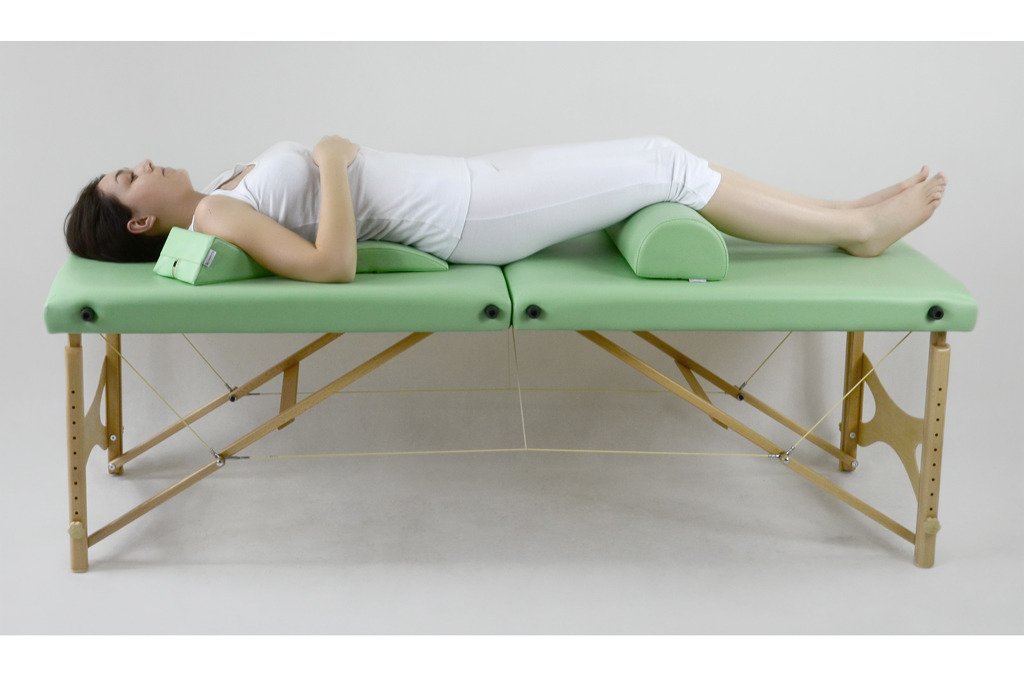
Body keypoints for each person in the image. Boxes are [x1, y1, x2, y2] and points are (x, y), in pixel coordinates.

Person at [64, 135, 947, 283]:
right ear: (141, 223)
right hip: (470, 219)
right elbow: (329, 265)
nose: (143, 163)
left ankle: (841, 213)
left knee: (668, 157)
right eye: (128, 179)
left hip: (471, 181)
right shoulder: (215, 220)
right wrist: (331, 163)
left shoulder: (222, 193)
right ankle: (856, 231)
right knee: (662, 164)